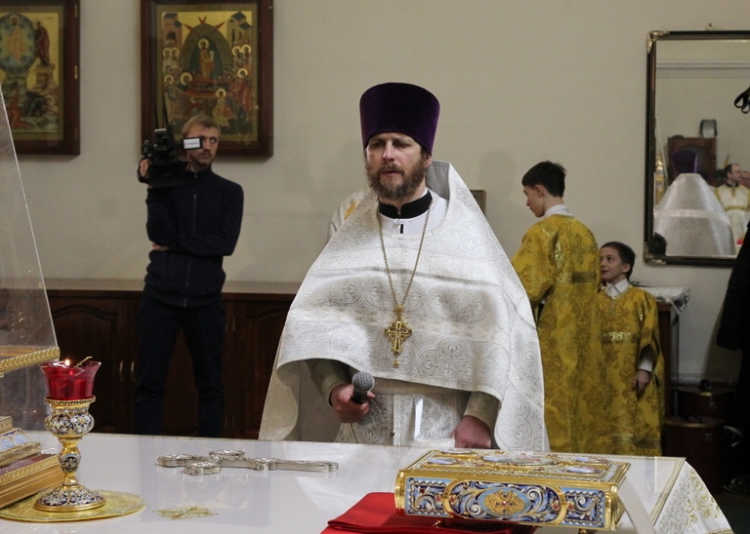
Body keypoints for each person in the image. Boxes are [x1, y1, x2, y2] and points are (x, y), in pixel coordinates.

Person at [259, 82, 546, 451]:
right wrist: (334, 387)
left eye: (401, 144)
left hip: (447, 433)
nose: (387, 154)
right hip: (362, 438)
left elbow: (505, 333)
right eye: (377, 144)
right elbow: (311, 331)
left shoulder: (465, 237)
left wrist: (481, 415)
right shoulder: (348, 244)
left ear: (426, 157)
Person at [132, 114, 244, 437]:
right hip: (160, 297)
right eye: (200, 140)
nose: (207, 147)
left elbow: (224, 243)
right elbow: (158, 233)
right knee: (149, 383)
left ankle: (208, 452)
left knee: (211, 385)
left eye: (214, 141)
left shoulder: (229, 192)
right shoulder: (166, 186)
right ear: (185, 142)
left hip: (205, 300)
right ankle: (143, 452)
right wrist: (153, 185)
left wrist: (176, 244)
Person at [510, 161, 598, 452]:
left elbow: (522, 289)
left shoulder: (543, 233)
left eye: (527, 194)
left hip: (553, 342)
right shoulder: (585, 233)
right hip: (584, 341)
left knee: (554, 410)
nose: (527, 202)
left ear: (539, 190)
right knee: (579, 409)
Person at [587, 241, 664, 455]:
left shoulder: (642, 299)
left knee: (632, 422)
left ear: (626, 267)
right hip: (600, 376)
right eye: (600, 259)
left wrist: (644, 369)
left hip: (631, 374)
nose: (603, 264)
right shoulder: (593, 300)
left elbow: (649, 335)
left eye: (610, 259)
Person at [714, 162, 750, 248]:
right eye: (737, 172)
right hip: (726, 231)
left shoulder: (747, 192)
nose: (740, 174)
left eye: (740, 172)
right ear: (729, 174)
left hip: (743, 232)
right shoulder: (718, 192)